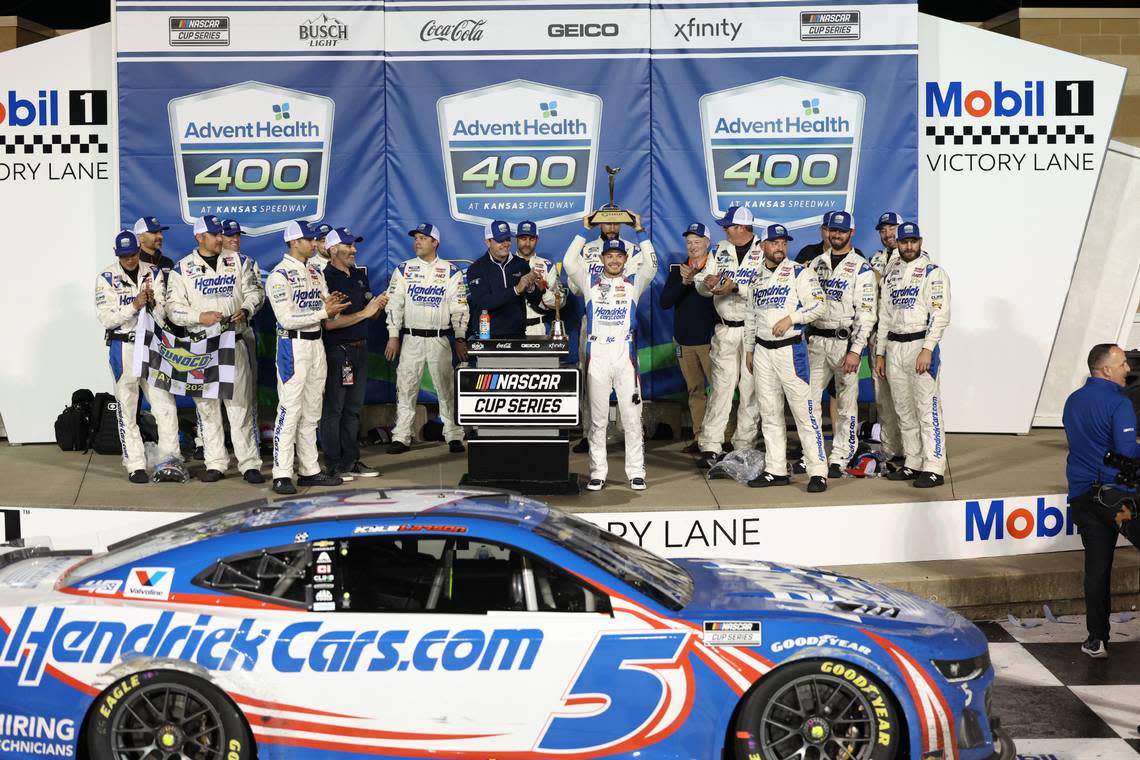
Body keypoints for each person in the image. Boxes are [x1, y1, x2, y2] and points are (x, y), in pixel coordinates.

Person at [167, 215, 266, 483]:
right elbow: (173, 308)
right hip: (200, 345)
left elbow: (256, 292)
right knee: (207, 408)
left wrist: (246, 309)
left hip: (233, 342)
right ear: (199, 237)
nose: (221, 238)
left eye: (221, 233)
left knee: (240, 406)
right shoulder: (182, 269)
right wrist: (199, 317)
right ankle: (215, 463)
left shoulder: (239, 262)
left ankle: (249, 464)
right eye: (214, 234)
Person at [563, 225, 658, 491]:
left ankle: (636, 471)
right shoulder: (590, 283)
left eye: (619, 256)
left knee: (631, 416)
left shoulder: (632, 283)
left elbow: (652, 264)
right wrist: (583, 230)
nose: (614, 260)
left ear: (625, 259)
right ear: (602, 259)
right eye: (609, 256)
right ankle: (598, 472)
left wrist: (640, 232)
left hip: (624, 354)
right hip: (598, 356)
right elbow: (570, 261)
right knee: (597, 419)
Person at [1062, 343, 1140, 658]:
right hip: (1117, 498)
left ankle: (1097, 639)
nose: (1129, 369)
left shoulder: (1072, 401)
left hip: (1082, 497)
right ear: (1106, 369)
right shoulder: (1119, 404)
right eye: (1122, 363)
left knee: (1097, 568)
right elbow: (1125, 451)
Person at [266, 219, 350, 494]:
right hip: (293, 346)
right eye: (309, 239)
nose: (315, 243)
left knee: (313, 410)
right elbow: (286, 319)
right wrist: (323, 313)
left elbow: (325, 305)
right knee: (290, 410)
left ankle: (309, 469)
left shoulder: (315, 271)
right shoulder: (279, 275)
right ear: (293, 242)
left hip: (317, 345)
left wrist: (333, 306)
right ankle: (281, 473)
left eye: (315, 239)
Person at [743, 224, 828, 491]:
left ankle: (818, 471)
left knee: (805, 413)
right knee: (769, 413)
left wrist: (793, 318)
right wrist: (748, 349)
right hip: (762, 352)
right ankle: (775, 469)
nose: (780, 247)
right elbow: (749, 316)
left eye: (783, 242)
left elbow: (819, 305)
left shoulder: (800, 273)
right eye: (774, 242)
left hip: (790, 349)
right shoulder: (756, 279)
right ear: (763, 246)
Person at [94, 230, 181, 483]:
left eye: (132, 254)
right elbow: (106, 318)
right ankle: (135, 464)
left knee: (164, 405)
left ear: (138, 250)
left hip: (153, 345)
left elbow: (166, 313)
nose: (129, 260)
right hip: (123, 347)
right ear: (116, 254)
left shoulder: (153, 272)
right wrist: (133, 305)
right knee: (127, 407)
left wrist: (154, 304)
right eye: (124, 256)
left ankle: (170, 461)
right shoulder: (106, 278)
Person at [874, 222, 950, 487]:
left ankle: (934, 466)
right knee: (903, 411)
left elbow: (940, 316)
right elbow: (883, 315)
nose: (908, 246)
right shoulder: (891, 272)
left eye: (913, 241)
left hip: (920, 345)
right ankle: (913, 462)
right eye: (904, 242)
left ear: (920, 242)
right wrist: (880, 352)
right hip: (894, 347)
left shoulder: (933, 272)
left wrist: (928, 349)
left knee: (927, 409)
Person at [385, 222, 469, 455]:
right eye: (416, 238)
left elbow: (460, 308)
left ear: (435, 242)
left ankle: (453, 434)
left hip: (439, 338)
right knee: (406, 387)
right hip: (411, 336)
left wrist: (460, 338)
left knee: (445, 387)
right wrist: (393, 335)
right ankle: (401, 436)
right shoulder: (404, 269)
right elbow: (394, 305)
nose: (417, 242)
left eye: (423, 238)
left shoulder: (451, 271)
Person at [565, 214, 644, 453]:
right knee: (591, 378)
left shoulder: (632, 249)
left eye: (615, 222)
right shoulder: (586, 249)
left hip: (622, 322)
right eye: (606, 222)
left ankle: (627, 431)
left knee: (628, 380)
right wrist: (591, 285)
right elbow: (574, 285)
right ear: (599, 224)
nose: (611, 227)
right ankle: (590, 433)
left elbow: (638, 278)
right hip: (594, 320)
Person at [807, 210, 876, 476]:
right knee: (809, 402)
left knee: (846, 405)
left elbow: (867, 314)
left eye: (842, 231)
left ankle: (840, 457)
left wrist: (856, 351)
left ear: (852, 233)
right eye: (832, 230)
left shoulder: (861, 267)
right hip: (816, 341)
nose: (836, 235)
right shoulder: (816, 263)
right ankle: (813, 454)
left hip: (844, 342)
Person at [693, 205, 763, 464]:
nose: (724, 230)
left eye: (728, 226)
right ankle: (711, 444)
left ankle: (744, 445)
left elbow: (768, 287)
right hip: (724, 328)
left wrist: (737, 287)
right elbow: (702, 284)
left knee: (750, 388)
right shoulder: (720, 249)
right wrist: (706, 283)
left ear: (741, 228)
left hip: (754, 330)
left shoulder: (764, 248)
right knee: (721, 387)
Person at [319, 226, 386, 481]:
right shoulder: (325, 278)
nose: (354, 250)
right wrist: (365, 313)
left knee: (354, 409)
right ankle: (333, 464)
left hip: (360, 348)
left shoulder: (359, 275)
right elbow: (329, 323)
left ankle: (351, 460)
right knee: (334, 409)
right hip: (338, 351)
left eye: (355, 245)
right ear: (333, 249)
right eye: (348, 246)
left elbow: (369, 312)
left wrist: (377, 306)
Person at [660, 223, 717, 453]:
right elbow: (665, 302)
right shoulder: (679, 270)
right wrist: (685, 282)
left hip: (710, 340)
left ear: (708, 243)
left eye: (697, 241)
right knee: (695, 390)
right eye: (689, 242)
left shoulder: (717, 268)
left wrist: (700, 279)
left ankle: (724, 436)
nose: (693, 246)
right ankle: (700, 437)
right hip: (684, 341)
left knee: (721, 390)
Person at [220, 217, 262, 439]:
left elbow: (258, 295)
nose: (235, 239)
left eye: (237, 235)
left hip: (242, 332)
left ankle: (249, 435)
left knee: (246, 389)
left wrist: (246, 309)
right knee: (208, 391)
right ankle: (203, 441)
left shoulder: (247, 261)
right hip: (210, 335)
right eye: (230, 235)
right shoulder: (196, 265)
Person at [465, 220, 543, 339]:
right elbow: (483, 302)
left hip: (518, 334)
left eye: (507, 239)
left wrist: (531, 287)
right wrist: (516, 289)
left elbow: (535, 301)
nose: (506, 244)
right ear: (488, 242)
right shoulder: (476, 269)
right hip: (487, 336)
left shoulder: (521, 264)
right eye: (500, 240)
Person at [869, 211, 904, 467]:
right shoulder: (876, 258)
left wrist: (874, 279)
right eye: (883, 230)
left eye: (892, 228)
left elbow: (887, 286)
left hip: (904, 337)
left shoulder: (917, 258)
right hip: (877, 336)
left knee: (906, 397)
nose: (887, 234)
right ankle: (892, 452)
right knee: (883, 398)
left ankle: (914, 452)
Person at [514, 220, 564, 336]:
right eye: (523, 238)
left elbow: (560, 301)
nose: (527, 243)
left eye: (531, 239)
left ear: (537, 240)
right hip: (511, 328)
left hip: (539, 329)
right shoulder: (506, 265)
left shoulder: (547, 265)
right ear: (516, 239)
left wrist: (543, 291)